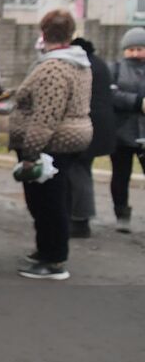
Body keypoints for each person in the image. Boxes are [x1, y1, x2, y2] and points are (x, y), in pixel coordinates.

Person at [9, 10, 93, 280]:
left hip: (52, 144)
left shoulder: (53, 68)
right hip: (70, 138)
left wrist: (30, 154)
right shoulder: (79, 62)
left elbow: (45, 117)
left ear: (43, 33)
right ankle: (47, 249)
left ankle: (53, 259)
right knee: (55, 199)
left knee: (47, 202)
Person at [65, 34, 116, 238]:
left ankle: (80, 220)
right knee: (82, 170)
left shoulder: (81, 65)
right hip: (102, 127)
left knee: (78, 172)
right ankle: (79, 217)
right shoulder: (99, 63)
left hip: (88, 126)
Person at [108, 27, 145, 234]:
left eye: (140, 49)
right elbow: (112, 94)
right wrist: (137, 102)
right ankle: (121, 213)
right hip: (121, 132)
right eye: (131, 49)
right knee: (121, 176)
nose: (135, 53)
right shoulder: (115, 68)